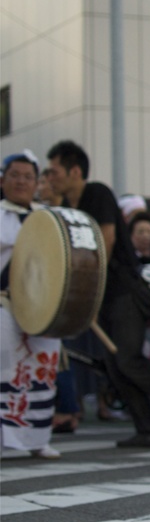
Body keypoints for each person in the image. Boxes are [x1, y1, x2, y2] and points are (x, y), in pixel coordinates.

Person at [46, 140, 150, 448]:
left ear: (75, 171)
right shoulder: (68, 207)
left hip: (124, 292)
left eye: (54, 171)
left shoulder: (97, 194)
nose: (50, 177)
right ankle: (149, 428)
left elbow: (105, 241)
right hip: (99, 295)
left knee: (128, 359)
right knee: (115, 365)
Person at [0, 150, 62, 459]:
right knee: (7, 368)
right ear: (2, 179)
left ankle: (37, 438)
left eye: (28, 177)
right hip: (4, 303)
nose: (21, 182)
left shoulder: (49, 216)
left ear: (37, 182)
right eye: (15, 176)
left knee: (43, 369)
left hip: (46, 303)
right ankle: (6, 440)